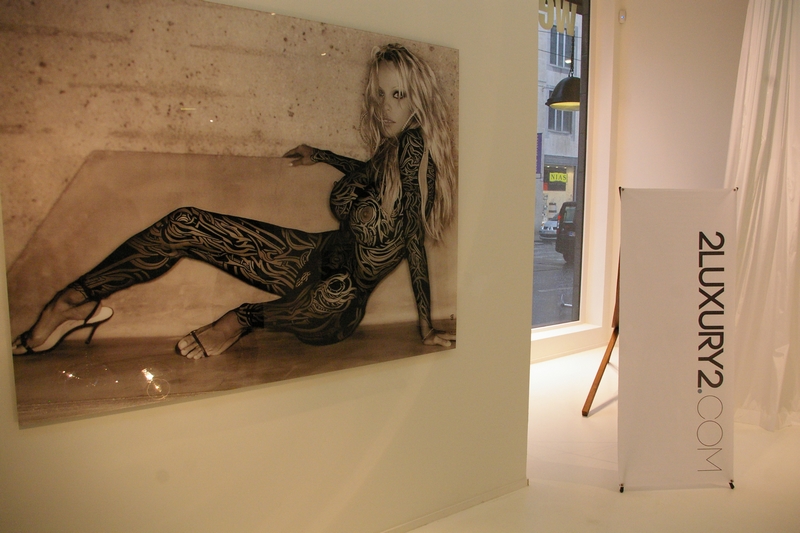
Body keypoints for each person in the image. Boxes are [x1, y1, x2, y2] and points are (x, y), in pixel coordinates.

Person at [12, 43, 457, 359]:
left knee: (334, 290)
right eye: (379, 93)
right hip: (310, 255)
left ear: (417, 99)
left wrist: (426, 325)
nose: (384, 107)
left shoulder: (414, 148)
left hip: (337, 300)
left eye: (397, 95)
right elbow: (368, 177)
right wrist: (322, 155)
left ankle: (241, 319)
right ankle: (73, 300)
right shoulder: (390, 149)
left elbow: (413, 240)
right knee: (185, 222)